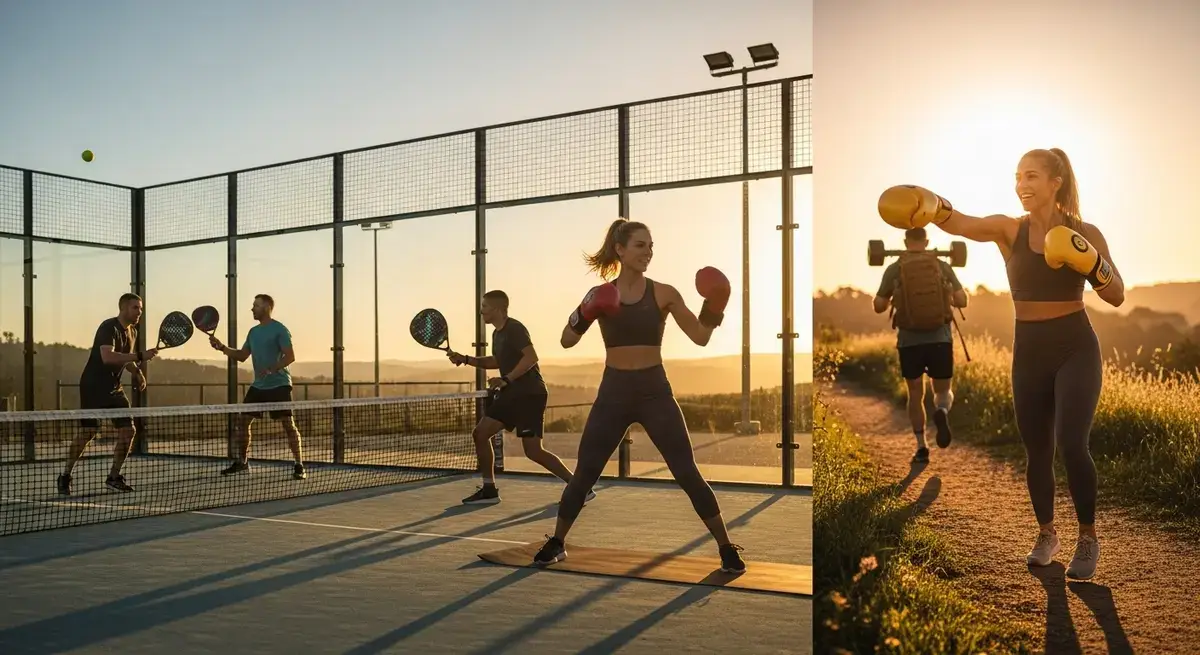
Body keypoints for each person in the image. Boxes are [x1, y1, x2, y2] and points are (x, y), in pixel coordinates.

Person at [878, 148, 1125, 582]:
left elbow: (1116, 294)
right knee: (1037, 451)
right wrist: (931, 204)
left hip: (1075, 347)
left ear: (1056, 182)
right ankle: (1047, 534)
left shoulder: (1085, 231)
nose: (1022, 185)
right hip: (1029, 351)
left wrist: (1092, 263)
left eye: (1031, 176)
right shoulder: (1009, 230)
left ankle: (1088, 536)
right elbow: (963, 224)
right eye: (1017, 177)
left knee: (1071, 442)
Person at [531, 218, 747, 574]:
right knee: (585, 473)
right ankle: (557, 541)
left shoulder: (664, 293)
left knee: (686, 471)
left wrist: (717, 303)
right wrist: (584, 312)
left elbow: (700, 337)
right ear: (620, 249)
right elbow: (566, 341)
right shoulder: (599, 294)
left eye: (651, 246)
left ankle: (725, 546)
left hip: (654, 391)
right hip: (613, 391)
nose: (648, 252)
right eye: (640, 245)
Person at [447, 290, 596, 506]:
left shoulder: (515, 328)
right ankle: (489, 489)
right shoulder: (497, 334)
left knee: (533, 451)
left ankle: (579, 488)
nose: (481, 311)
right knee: (480, 433)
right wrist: (467, 359)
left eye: (485, 307)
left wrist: (506, 379)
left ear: (497, 309)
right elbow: (498, 360)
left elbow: (531, 358)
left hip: (529, 394)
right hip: (511, 395)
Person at [872, 227, 969, 464]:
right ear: (927, 242)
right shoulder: (942, 266)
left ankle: (921, 447)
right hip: (940, 339)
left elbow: (879, 306)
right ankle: (942, 412)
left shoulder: (894, 268)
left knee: (915, 394)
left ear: (905, 242)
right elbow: (962, 301)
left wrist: (892, 295)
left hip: (909, 342)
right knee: (943, 391)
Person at [57, 293, 158, 495]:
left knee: (129, 431)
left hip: (114, 388)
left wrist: (137, 372)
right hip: (93, 386)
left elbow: (124, 358)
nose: (139, 312)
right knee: (88, 433)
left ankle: (114, 476)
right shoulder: (108, 327)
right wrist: (140, 355)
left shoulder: (133, 332)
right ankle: (66, 475)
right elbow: (108, 357)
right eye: (135, 308)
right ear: (122, 308)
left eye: (141, 308)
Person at [209, 294, 306, 480]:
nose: (252, 309)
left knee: (288, 424)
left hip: (280, 385)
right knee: (243, 421)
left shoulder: (280, 330)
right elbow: (241, 355)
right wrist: (222, 347)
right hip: (259, 386)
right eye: (253, 305)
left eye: (256, 305)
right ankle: (243, 462)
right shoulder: (253, 332)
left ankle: (299, 464)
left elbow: (290, 356)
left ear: (267, 307)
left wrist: (272, 368)